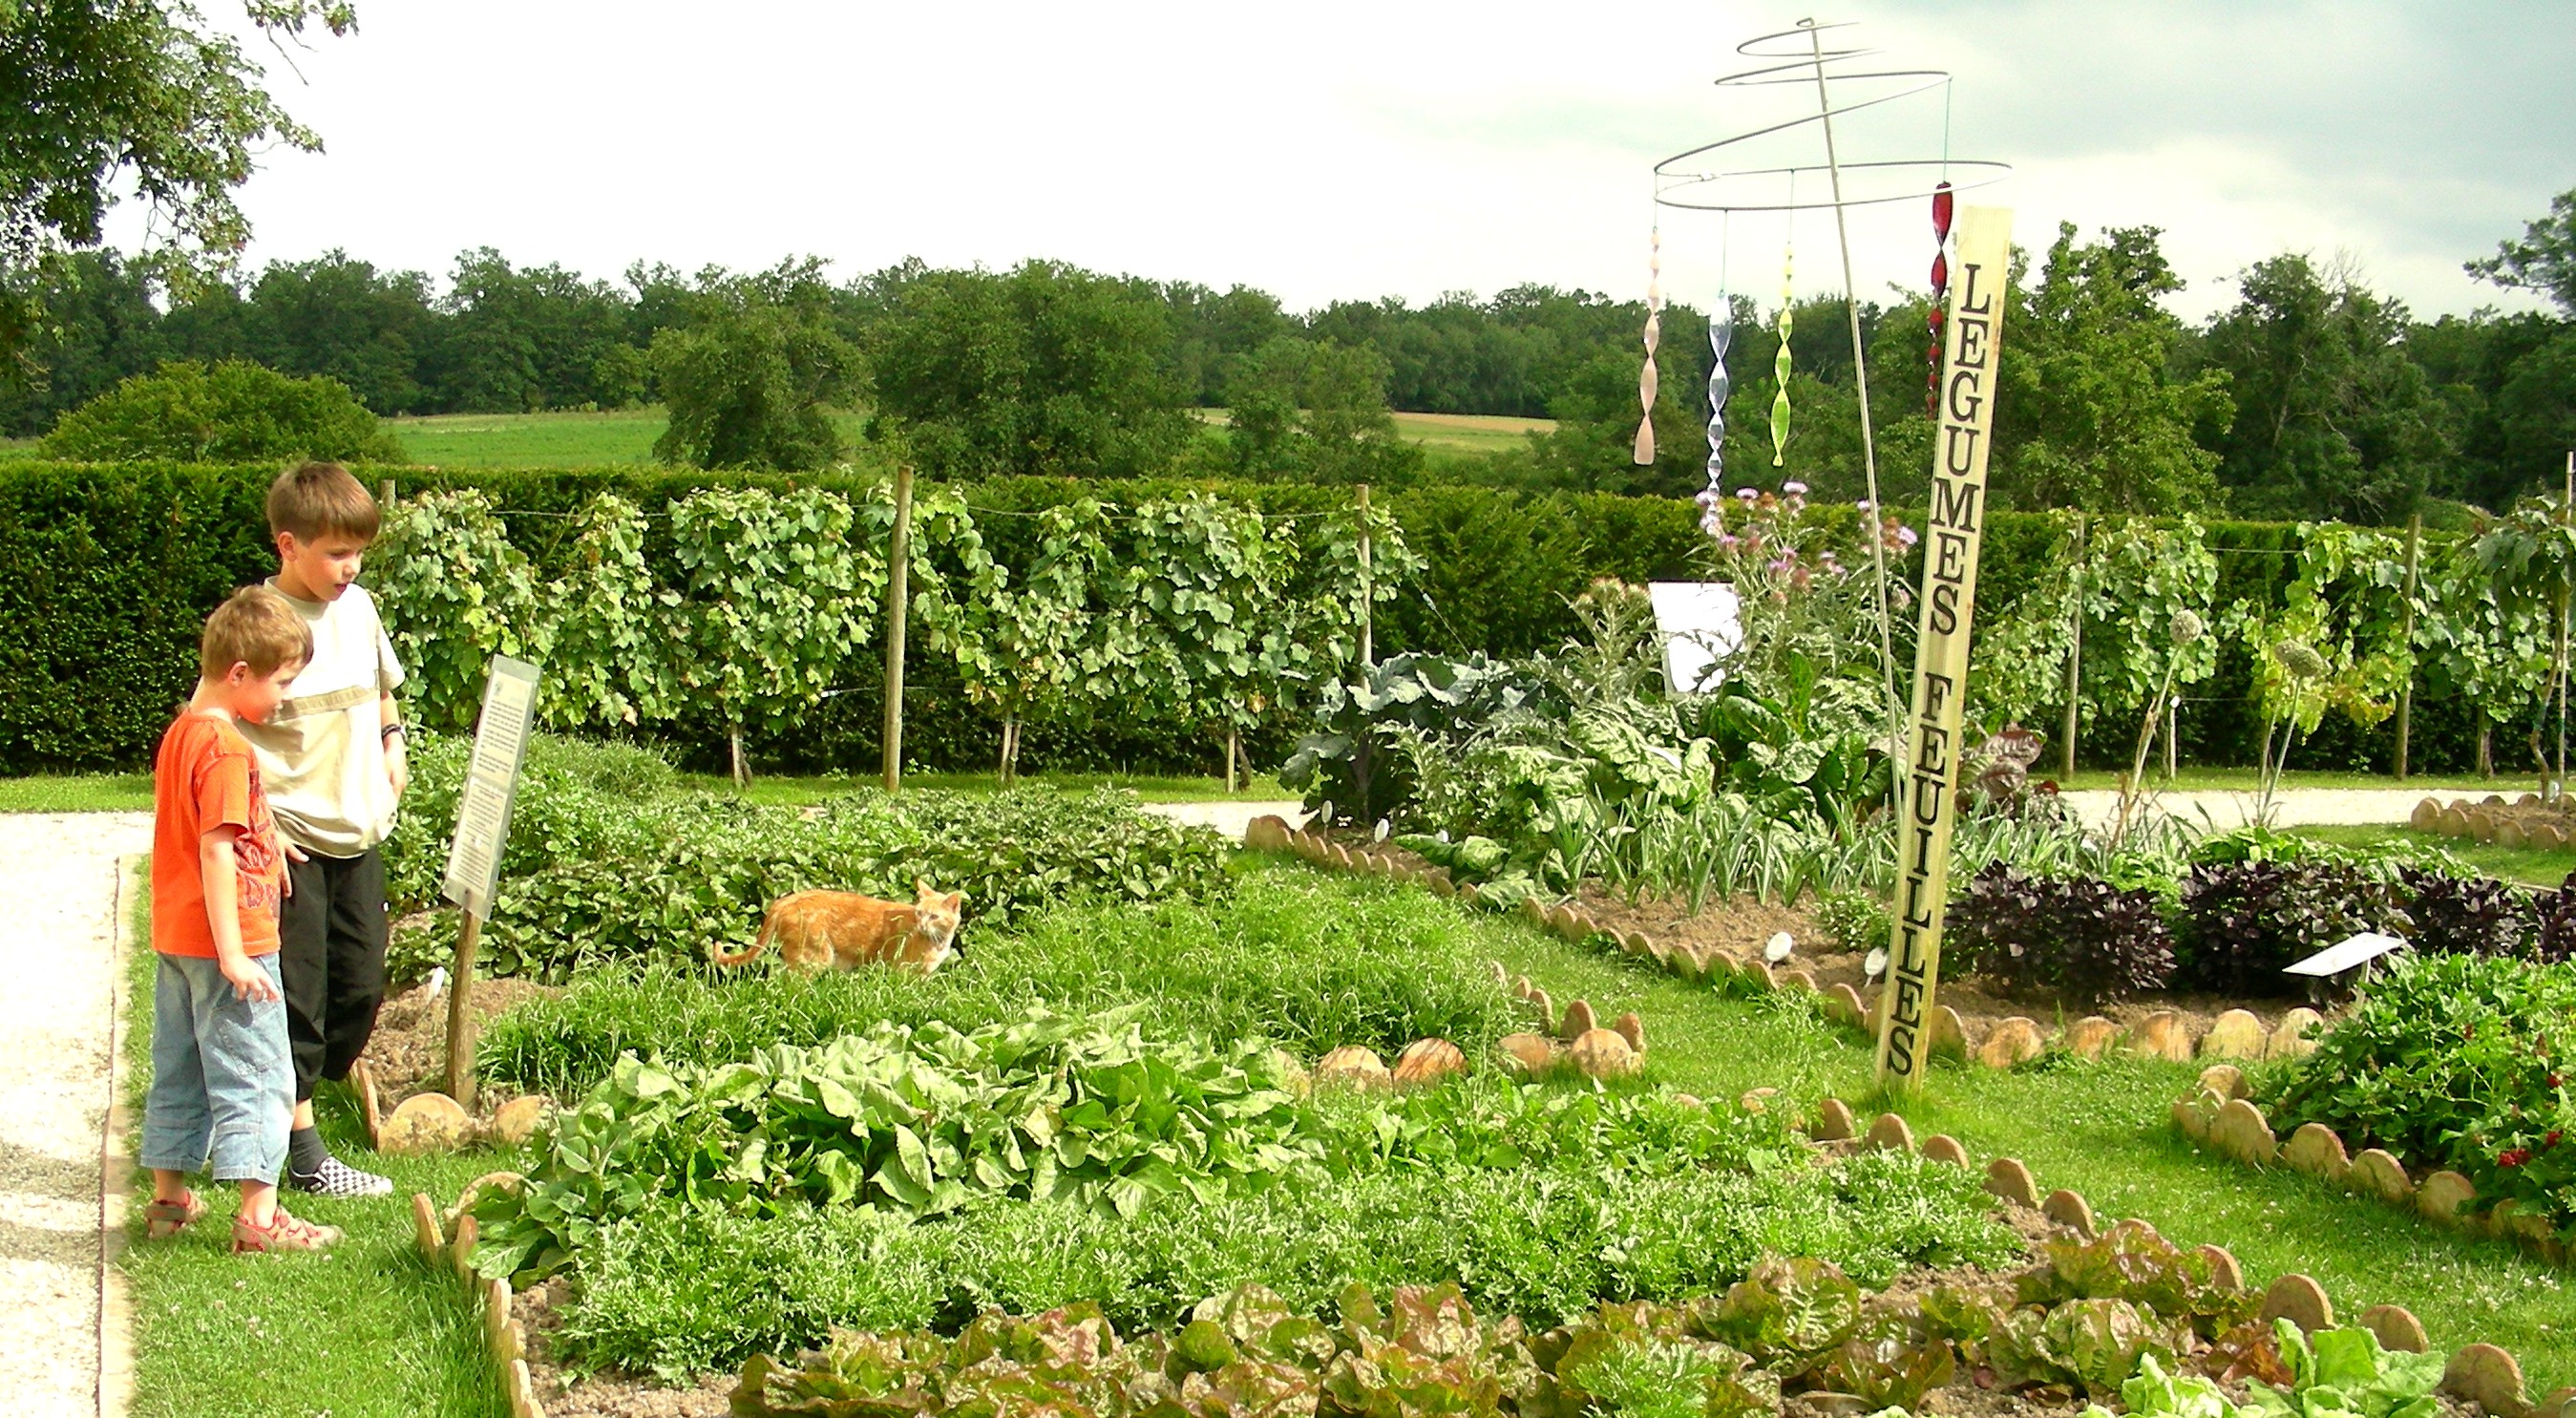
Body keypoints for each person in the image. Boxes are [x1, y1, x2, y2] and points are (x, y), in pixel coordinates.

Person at [141, 586, 343, 1253]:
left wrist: (270, 835)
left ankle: (170, 1198)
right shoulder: (228, 749)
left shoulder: (184, 732)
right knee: (260, 1072)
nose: (284, 697)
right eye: (281, 682)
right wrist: (234, 954)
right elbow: (215, 845)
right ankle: (260, 1219)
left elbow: (212, 824)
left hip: (177, 937)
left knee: (181, 1066)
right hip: (232, 942)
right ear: (238, 674)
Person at [238, 462, 410, 1197]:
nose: (352, 567)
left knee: (361, 986)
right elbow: (215, 725)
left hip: (358, 831)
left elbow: (378, 690)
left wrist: (394, 738)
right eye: (337, 552)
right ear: (288, 544)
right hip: (294, 841)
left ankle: (276, 1110)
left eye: (358, 552)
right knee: (300, 998)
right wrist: (261, 825)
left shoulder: (360, 609)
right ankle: (302, 1152)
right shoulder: (259, 622)